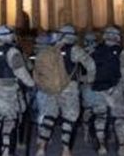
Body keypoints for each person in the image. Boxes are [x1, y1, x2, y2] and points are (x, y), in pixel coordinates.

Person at [35, 25, 95, 156]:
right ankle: (65, 150)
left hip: (52, 89)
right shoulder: (74, 50)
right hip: (69, 89)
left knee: (49, 118)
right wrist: (89, 79)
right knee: (69, 119)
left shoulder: (50, 49)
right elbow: (90, 64)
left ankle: (41, 149)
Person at [0, 26, 35, 156]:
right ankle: (7, 152)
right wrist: (32, 84)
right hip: (8, 93)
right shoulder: (12, 51)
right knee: (9, 125)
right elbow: (21, 72)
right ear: (7, 36)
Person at [89, 26, 124, 156]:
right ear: (117, 37)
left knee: (100, 118)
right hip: (115, 88)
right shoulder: (121, 52)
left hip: (97, 89)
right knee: (120, 118)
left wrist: (95, 86)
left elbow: (88, 71)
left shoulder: (94, 51)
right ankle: (122, 148)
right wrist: (123, 89)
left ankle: (102, 147)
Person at [80, 31, 98, 145]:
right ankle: (89, 132)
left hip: (87, 84)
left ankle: (87, 132)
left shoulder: (81, 54)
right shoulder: (85, 54)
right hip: (91, 84)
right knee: (93, 110)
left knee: (89, 110)